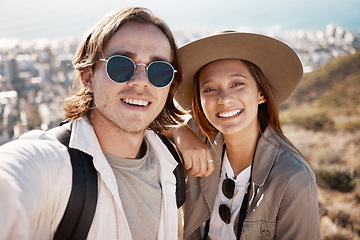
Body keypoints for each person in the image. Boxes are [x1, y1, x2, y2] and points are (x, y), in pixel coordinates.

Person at [0, 7, 186, 240]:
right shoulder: (54, 163)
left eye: (159, 71)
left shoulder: (172, 166)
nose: (141, 81)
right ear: (88, 77)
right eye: (121, 66)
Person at [168, 31, 321, 239]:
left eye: (237, 84)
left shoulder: (293, 179)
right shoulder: (197, 136)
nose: (224, 99)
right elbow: (146, 119)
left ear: (261, 93)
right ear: (199, 101)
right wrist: (179, 132)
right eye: (210, 89)